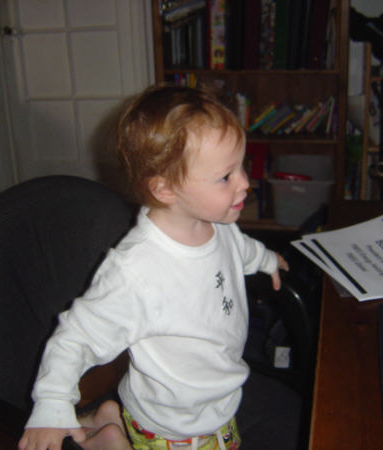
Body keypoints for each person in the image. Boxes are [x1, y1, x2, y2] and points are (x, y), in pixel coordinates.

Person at [18, 84, 289, 450]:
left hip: (218, 400)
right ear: (165, 190)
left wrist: (265, 259)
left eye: (240, 166)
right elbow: (76, 337)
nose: (245, 182)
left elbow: (238, 249)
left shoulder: (217, 223)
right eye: (226, 176)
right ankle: (108, 440)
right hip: (172, 424)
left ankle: (108, 424)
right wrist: (52, 403)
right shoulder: (137, 272)